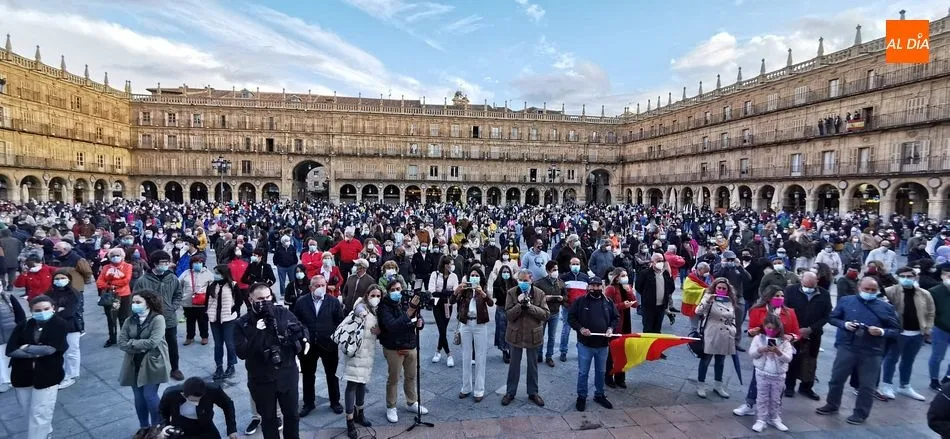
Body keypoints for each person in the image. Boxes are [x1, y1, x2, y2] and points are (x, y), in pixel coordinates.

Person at [816, 276, 900, 425]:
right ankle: (832, 404)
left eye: (873, 290)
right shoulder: (846, 301)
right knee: (836, 379)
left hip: (872, 351)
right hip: (847, 346)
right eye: (866, 289)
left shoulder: (886, 307)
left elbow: (896, 330)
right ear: (859, 288)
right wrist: (845, 324)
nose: (869, 292)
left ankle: (861, 413)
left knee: (867, 385)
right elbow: (832, 318)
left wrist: (881, 331)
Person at [234, 282, 309, 439]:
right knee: (268, 420)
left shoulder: (283, 313)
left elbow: (300, 328)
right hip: (261, 379)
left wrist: (303, 339)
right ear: (251, 299)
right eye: (260, 299)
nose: (265, 301)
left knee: (292, 416)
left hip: (287, 374)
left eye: (268, 297)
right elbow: (241, 352)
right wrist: (257, 333)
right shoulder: (242, 323)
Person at [734, 285, 801, 417]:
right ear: (768, 297)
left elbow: (796, 333)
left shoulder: (789, 312)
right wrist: (754, 331)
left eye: (782, 296)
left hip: (781, 349)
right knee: (756, 377)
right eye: (777, 295)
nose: (780, 298)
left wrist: (791, 337)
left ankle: (774, 411)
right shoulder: (757, 310)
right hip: (763, 347)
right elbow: (751, 329)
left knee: (779, 382)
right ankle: (750, 404)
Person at [6, 295, 67, 439]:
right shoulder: (24, 325)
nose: (42, 312)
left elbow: (50, 349)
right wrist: (35, 352)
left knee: (40, 412)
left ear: (53, 308)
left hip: (48, 374)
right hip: (22, 375)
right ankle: (46, 432)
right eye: (38, 310)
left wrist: (26, 347)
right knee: (28, 410)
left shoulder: (60, 324)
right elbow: (11, 350)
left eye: (46, 309)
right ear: (32, 311)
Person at [879, 266, 935, 401]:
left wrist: (928, 329)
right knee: (891, 359)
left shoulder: (924, 293)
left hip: (917, 333)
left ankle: (904, 385)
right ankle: (886, 384)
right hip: (898, 333)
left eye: (909, 276)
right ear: (898, 277)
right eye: (903, 276)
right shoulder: (890, 291)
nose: (906, 279)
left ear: (915, 277)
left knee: (909, 360)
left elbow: (930, 312)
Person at [292, 275, 345, 416]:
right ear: (310, 287)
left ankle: (335, 401)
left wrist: (333, 336)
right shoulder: (301, 302)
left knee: (332, 374)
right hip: (308, 345)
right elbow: (296, 321)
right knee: (308, 375)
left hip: (328, 344)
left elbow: (339, 321)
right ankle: (309, 403)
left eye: (323, 285)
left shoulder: (333, 302)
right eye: (317, 286)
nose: (320, 288)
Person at [377, 279, 428, 423]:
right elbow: (392, 326)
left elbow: (418, 317)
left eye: (398, 289)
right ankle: (391, 406)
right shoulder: (384, 306)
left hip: (410, 344)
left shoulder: (406, 301)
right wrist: (410, 311)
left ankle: (412, 401)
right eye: (393, 290)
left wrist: (420, 322)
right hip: (393, 347)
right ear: (388, 291)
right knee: (394, 378)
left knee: (411, 376)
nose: (396, 292)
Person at [118, 290, 171, 429]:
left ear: (148, 303)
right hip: (133, 362)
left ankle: (157, 426)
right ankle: (144, 427)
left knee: (149, 395)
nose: (134, 305)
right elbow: (122, 343)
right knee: (138, 396)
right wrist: (140, 345)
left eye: (138, 302)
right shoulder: (130, 320)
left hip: (153, 361)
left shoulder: (157, 319)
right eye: (133, 302)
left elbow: (153, 342)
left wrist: (133, 343)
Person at [568, 276, 619, 411]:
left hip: (602, 345)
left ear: (602, 287)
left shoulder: (608, 301)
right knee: (583, 372)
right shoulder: (580, 301)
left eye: (598, 286)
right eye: (592, 285)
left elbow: (615, 317)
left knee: (601, 372)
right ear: (588, 287)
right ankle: (581, 396)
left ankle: (599, 394)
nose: (595, 288)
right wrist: (581, 329)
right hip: (585, 344)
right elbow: (571, 318)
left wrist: (610, 328)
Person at [134, 250, 185, 381]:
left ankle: (175, 368)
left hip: (169, 317)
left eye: (167, 262)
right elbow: (136, 298)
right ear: (154, 264)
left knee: (172, 344)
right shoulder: (143, 280)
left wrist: (173, 307)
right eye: (163, 262)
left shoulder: (172, 278)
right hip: (150, 319)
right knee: (152, 345)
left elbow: (178, 294)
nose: (166, 265)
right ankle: (151, 369)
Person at [501, 269, 549, 407]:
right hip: (515, 333)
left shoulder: (539, 294)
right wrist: (519, 305)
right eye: (520, 280)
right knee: (514, 365)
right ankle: (510, 392)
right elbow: (509, 315)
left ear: (531, 280)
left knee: (532, 365)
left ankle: (533, 392)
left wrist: (529, 306)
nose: (523, 283)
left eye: (526, 280)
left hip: (533, 334)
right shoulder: (511, 292)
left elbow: (545, 314)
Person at [341, 286, 382, 438]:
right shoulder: (362, 305)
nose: (376, 297)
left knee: (362, 383)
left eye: (378, 295)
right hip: (355, 351)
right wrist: (363, 313)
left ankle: (360, 413)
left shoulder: (377, 309)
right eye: (373, 295)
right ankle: (350, 421)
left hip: (368, 353)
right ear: (367, 295)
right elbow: (358, 309)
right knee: (352, 384)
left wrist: (379, 331)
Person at [783, 271, 832, 400]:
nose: (809, 289)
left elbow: (827, 315)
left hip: (813, 333)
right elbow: (785, 310)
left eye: (812, 286)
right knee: (793, 359)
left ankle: (806, 387)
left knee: (810, 361)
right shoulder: (790, 291)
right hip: (794, 332)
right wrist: (797, 329)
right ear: (801, 281)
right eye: (806, 286)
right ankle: (789, 386)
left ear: (816, 282)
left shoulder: (824, 294)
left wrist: (811, 329)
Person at [451, 267, 493, 402]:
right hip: (466, 324)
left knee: (480, 357)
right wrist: (457, 290)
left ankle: (479, 389)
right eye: (472, 275)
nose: (474, 277)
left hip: (480, 325)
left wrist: (483, 294)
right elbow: (451, 301)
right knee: (466, 356)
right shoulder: (465, 290)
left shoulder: (483, 288)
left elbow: (491, 303)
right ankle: (466, 387)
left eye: (476, 275)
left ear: (480, 277)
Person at [748, 314, 793, 433]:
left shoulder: (784, 342)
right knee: (762, 397)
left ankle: (774, 417)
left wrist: (778, 352)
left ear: (779, 329)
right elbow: (752, 353)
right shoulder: (758, 338)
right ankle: (761, 419)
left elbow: (788, 358)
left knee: (776, 398)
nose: (771, 331)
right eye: (768, 328)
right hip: (762, 373)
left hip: (778, 375)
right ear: (764, 326)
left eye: (774, 328)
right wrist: (760, 350)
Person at [695, 277, 738, 398]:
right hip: (711, 332)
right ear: (714, 287)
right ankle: (701, 384)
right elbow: (698, 311)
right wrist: (708, 301)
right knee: (705, 360)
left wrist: (733, 329)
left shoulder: (730, 300)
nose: (721, 290)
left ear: (728, 290)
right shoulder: (708, 297)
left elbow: (733, 316)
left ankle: (718, 385)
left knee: (721, 361)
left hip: (726, 334)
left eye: (724, 288)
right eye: (719, 287)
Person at [158, 376, 238, 439]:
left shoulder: (213, 390)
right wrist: (165, 426)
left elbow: (228, 404)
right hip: (181, 426)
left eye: (199, 400)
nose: (197, 403)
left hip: (205, 425)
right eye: (193, 401)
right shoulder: (171, 394)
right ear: (183, 394)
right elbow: (162, 410)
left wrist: (232, 429)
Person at [47, 269, 81, 388]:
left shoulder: (74, 293)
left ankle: (71, 375)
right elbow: (45, 308)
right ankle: (60, 373)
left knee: (71, 350)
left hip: (71, 326)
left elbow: (69, 312)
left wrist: (55, 311)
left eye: (62, 278)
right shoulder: (49, 293)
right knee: (59, 351)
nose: (59, 281)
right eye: (57, 278)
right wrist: (58, 310)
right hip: (55, 327)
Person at [207, 265, 241, 380]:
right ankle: (219, 366)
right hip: (214, 318)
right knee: (218, 344)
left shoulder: (233, 285)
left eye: (217, 273)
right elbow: (207, 300)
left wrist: (234, 310)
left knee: (230, 343)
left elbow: (239, 300)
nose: (215, 275)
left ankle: (231, 365)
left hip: (228, 319)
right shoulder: (211, 285)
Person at [713, 250, 752, 351]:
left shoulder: (738, 267)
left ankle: (736, 342)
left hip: (738, 298)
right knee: (721, 320)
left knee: (738, 322)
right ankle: (720, 341)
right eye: (728, 259)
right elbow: (716, 277)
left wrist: (739, 266)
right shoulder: (719, 266)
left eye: (732, 259)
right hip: (723, 298)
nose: (730, 261)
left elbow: (748, 279)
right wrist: (723, 266)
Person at [604, 268, 637, 388]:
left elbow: (636, 303)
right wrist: (623, 305)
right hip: (615, 325)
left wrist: (628, 291)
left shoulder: (625, 287)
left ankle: (620, 378)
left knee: (623, 353)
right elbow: (607, 307)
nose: (625, 277)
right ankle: (608, 377)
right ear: (616, 277)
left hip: (625, 324)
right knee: (612, 354)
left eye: (626, 275)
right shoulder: (610, 289)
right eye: (623, 275)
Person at [96, 247, 133, 348]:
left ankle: (125, 338)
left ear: (122, 256)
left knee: (124, 318)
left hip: (124, 295)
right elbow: (99, 282)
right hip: (110, 296)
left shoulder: (128, 266)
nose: (115, 257)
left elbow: (126, 280)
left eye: (118, 255)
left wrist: (110, 283)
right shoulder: (106, 267)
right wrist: (111, 286)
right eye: (113, 256)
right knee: (111, 319)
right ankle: (112, 338)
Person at [428, 257, 459, 367]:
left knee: (444, 329)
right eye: (450, 264)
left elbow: (455, 291)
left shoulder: (454, 276)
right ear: (445, 265)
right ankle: (449, 354)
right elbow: (432, 290)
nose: (452, 265)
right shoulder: (434, 275)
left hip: (448, 304)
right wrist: (446, 292)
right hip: (437, 305)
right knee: (441, 328)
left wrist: (442, 292)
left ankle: (438, 351)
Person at [559, 257, 590, 362]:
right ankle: (563, 351)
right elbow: (561, 293)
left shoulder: (585, 278)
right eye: (573, 264)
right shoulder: (564, 278)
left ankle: (580, 351)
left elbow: (588, 293)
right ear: (570, 265)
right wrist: (564, 303)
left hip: (581, 309)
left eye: (577, 264)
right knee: (565, 330)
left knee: (580, 331)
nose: (575, 266)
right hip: (568, 308)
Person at [635, 253, 675, 334]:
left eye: (662, 260)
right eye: (658, 260)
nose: (660, 262)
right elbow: (638, 287)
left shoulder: (665, 273)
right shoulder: (645, 273)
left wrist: (670, 274)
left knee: (657, 329)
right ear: (652, 262)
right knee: (648, 329)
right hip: (648, 307)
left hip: (661, 307)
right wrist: (647, 295)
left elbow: (671, 288)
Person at [534, 260, 564, 366]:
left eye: (557, 270)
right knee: (540, 335)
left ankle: (549, 356)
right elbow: (535, 296)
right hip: (543, 313)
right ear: (548, 271)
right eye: (553, 270)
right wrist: (546, 298)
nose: (556, 272)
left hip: (555, 313)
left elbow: (565, 296)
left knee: (552, 337)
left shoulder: (560, 282)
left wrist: (562, 298)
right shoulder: (540, 283)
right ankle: (539, 354)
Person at [180, 254, 212, 346]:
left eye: (200, 262)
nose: (197, 264)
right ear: (192, 264)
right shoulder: (186, 273)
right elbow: (179, 284)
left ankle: (204, 336)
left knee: (203, 320)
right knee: (190, 320)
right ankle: (190, 337)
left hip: (202, 302)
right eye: (195, 263)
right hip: (188, 301)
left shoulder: (207, 273)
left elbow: (212, 286)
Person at [0, 288, 26, 393]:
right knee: (1, 358)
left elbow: (20, 313)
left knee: (12, 355)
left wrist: (21, 328)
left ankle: (15, 377)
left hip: (11, 332)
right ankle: (4, 380)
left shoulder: (8, 297)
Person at [929, 264, 950, 390]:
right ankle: (934, 379)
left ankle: (948, 377)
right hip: (940, 328)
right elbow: (931, 312)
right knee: (938, 356)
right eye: (948, 275)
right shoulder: (934, 291)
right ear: (942, 276)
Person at [493, 265, 516, 363]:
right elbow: (497, 297)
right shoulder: (497, 283)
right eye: (504, 272)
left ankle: (511, 349)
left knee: (512, 329)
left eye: (507, 272)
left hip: (512, 308)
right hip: (501, 308)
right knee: (502, 330)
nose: (506, 274)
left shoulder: (514, 282)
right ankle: (504, 350)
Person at [682, 262, 711, 332]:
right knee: (694, 327)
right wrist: (703, 291)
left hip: (706, 305)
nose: (707, 273)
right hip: (694, 305)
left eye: (708, 271)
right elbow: (687, 290)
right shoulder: (690, 278)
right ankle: (692, 341)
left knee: (705, 327)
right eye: (705, 271)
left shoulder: (709, 277)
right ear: (699, 269)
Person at [273, 234, 299, 300]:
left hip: (291, 266)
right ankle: (283, 293)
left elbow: (295, 256)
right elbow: (275, 257)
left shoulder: (292, 247)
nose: (287, 242)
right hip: (281, 267)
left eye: (288, 240)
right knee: (282, 281)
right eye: (286, 241)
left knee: (292, 280)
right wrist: (277, 264)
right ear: (282, 242)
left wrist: (295, 264)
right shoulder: (279, 248)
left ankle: (292, 292)